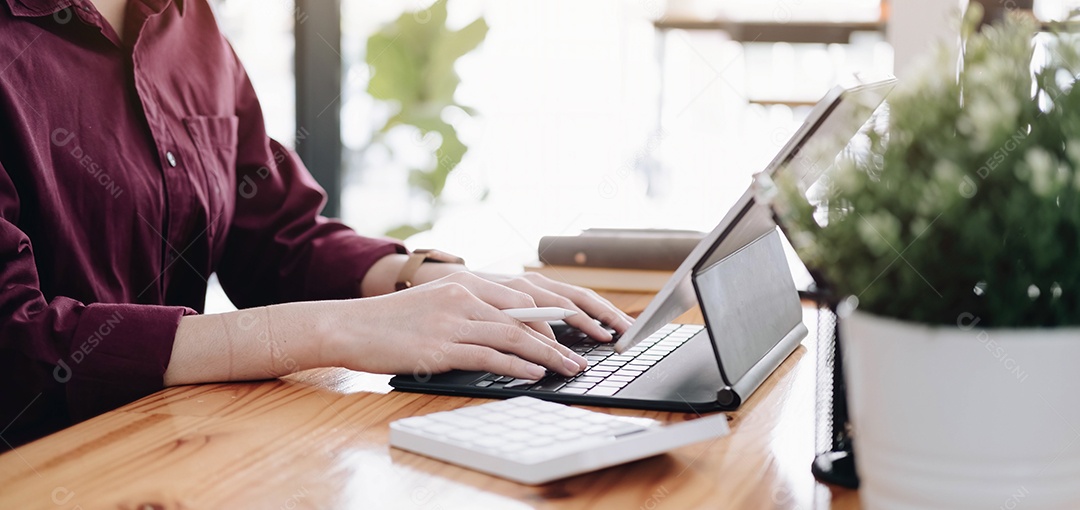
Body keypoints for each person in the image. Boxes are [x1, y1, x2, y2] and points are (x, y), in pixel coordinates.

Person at [0, 0, 633, 447]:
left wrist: (424, 280)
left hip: (172, 441)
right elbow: (16, 342)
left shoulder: (189, 21)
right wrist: (334, 329)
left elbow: (273, 237)